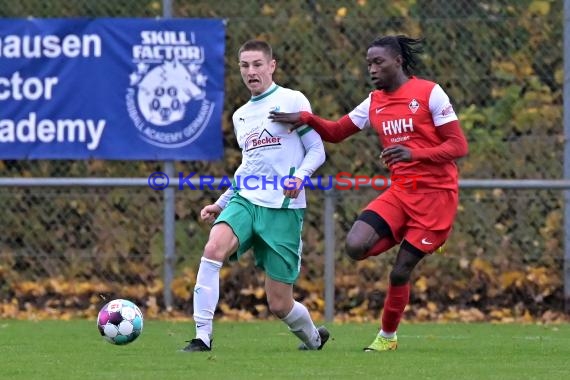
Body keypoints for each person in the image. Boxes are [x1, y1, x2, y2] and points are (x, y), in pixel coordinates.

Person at [269, 35, 468, 352]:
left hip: (436, 197)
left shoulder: (429, 92)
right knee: (355, 246)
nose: (372, 69)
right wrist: (307, 119)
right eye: (369, 64)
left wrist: (414, 154)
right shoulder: (374, 101)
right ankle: (412, 237)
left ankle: (387, 338)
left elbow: (458, 146)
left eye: (378, 62)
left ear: (398, 61)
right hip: (401, 193)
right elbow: (336, 132)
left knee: (400, 270)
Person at [182, 40, 329, 352]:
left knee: (279, 304)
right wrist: (221, 203)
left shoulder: (291, 100)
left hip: (283, 209)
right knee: (213, 247)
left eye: (257, 64)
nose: (251, 71)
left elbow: (317, 149)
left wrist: (299, 178)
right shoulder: (241, 116)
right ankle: (201, 337)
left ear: (271, 66)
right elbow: (250, 166)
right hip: (246, 199)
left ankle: (314, 338)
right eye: (245, 66)